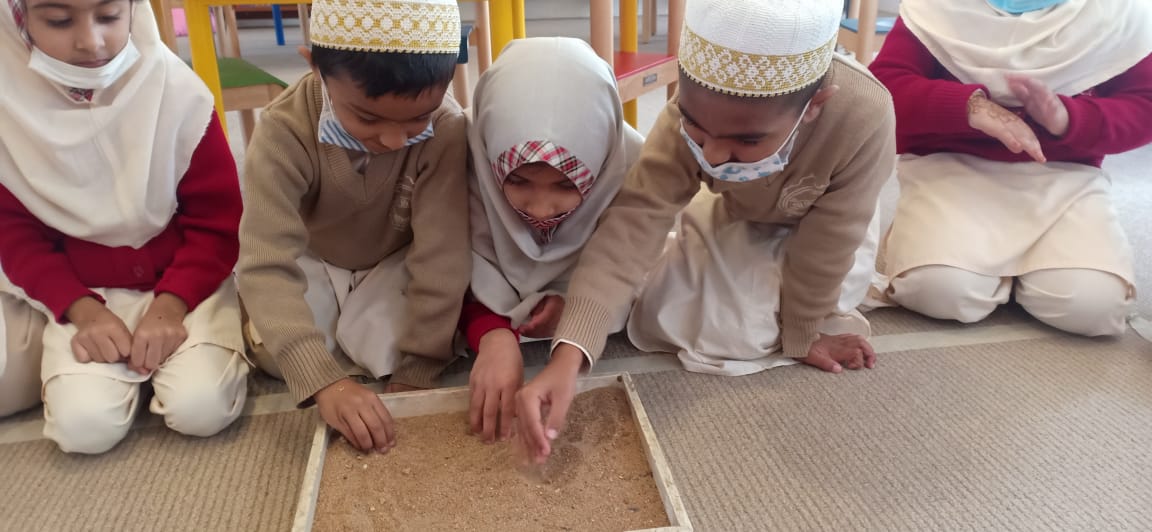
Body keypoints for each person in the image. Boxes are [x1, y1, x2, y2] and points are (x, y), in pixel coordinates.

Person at [515, 0, 896, 463]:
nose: (712, 157)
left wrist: (804, 333)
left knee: (754, 329)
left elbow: (830, 243)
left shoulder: (865, 115)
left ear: (814, 107)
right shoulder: (690, 113)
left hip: (831, 235)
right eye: (696, 130)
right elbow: (634, 222)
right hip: (734, 212)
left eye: (747, 141)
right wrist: (570, 352)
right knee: (706, 322)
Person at [0, 0, 248, 453]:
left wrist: (171, 306)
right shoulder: (8, 116)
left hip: (187, 284)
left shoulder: (177, 93)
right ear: (19, 20)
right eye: (58, 20)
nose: (91, 41)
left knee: (202, 408)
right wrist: (81, 310)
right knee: (83, 429)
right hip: (84, 294)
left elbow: (217, 222)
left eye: (110, 16)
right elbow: (16, 240)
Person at [236, 0, 470, 453]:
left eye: (418, 118)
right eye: (367, 117)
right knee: (277, 353)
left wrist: (420, 365)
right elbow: (265, 261)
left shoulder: (446, 127)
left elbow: (442, 253)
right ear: (315, 66)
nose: (395, 140)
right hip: (315, 257)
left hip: (392, 260)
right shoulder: (283, 130)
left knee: (406, 347)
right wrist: (324, 381)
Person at [869, 0, 1152, 335]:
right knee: (942, 293)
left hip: (1066, 178)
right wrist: (971, 107)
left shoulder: (1121, 10)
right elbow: (883, 87)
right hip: (950, 169)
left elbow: (1144, 104)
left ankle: (1005, 271)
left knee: (1093, 308)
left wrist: (1069, 118)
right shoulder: (937, 6)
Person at [461, 37, 644, 442]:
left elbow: (633, 266)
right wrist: (492, 334)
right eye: (519, 182)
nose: (542, 210)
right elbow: (446, 267)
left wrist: (573, 307)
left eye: (566, 185)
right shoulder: (466, 160)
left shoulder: (632, 170)